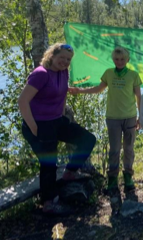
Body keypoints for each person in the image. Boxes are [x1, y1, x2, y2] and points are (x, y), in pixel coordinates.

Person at [18, 43, 96, 215]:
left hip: (56, 121)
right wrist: (33, 127)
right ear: (51, 56)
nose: (65, 62)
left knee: (88, 139)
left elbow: (61, 94)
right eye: (62, 58)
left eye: (68, 60)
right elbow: (22, 101)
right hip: (38, 124)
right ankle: (49, 202)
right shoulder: (41, 74)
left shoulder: (63, 72)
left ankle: (69, 172)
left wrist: (61, 115)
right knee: (48, 162)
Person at [69, 46, 142, 192]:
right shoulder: (108, 73)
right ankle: (112, 179)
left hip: (130, 117)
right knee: (114, 150)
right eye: (116, 59)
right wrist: (80, 91)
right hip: (113, 118)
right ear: (113, 59)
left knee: (128, 148)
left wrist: (141, 116)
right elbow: (98, 89)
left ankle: (128, 176)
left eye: (122, 59)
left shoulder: (133, 75)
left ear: (127, 60)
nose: (119, 62)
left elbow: (138, 96)